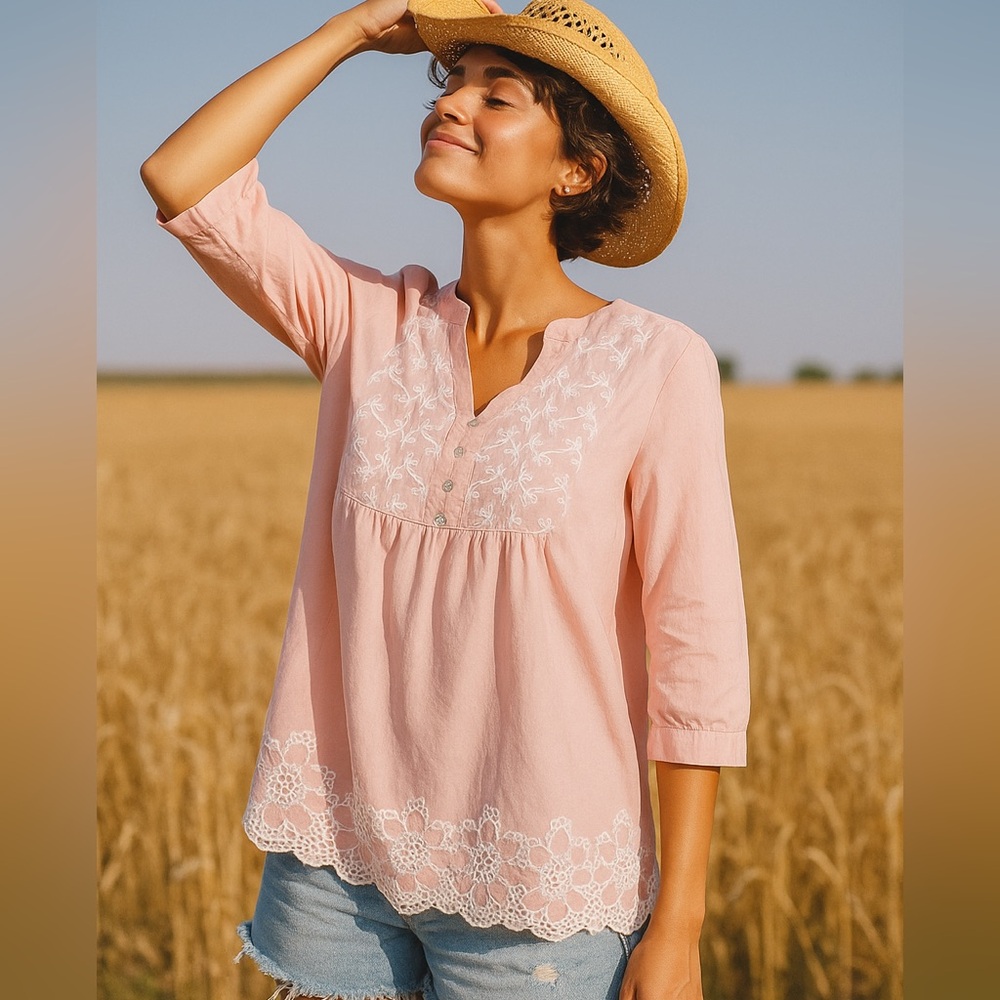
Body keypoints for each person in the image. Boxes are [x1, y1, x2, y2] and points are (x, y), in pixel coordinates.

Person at [140, 1, 750, 997]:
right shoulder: (367, 324)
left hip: (541, 890)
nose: (451, 105)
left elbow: (697, 658)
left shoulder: (656, 364)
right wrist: (350, 33)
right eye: (450, 83)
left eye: (495, 95)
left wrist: (676, 925)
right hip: (336, 865)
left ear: (577, 170)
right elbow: (184, 179)